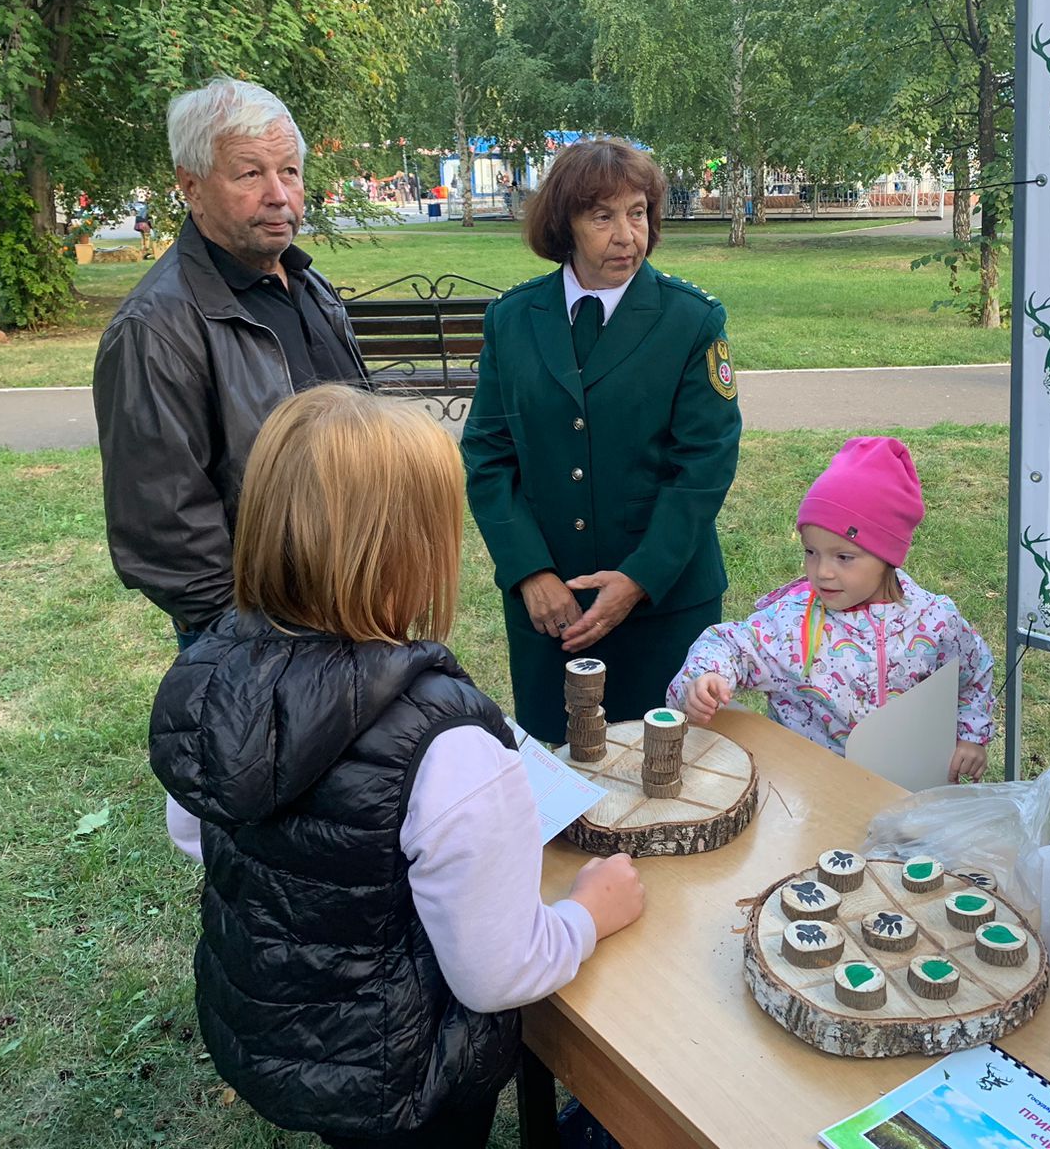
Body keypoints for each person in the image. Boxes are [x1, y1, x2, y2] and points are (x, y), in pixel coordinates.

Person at [150, 385, 645, 1147]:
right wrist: (591, 910)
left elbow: (196, 830)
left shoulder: (209, 675)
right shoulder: (448, 750)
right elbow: (496, 973)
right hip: (408, 1071)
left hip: (283, 1030)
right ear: (412, 550)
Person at [461, 138, 742, 744]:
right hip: (549, 611)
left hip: (663, 606)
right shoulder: (513, 319)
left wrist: (638, 578)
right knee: (563, 775)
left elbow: (704, 465)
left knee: (669, 784)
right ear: (565, 224)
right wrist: (529, 572)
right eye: (603, 216)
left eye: (638, 212)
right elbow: (488, 455)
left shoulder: (691, 320)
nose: (626, 235)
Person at [93, 76, 368, 652]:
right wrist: (255, 642)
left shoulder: (307, 283)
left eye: (289, 171)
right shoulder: (155, 329)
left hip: (358, 599)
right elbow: (163, 532)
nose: (279, 195)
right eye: (250, 173)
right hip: (261, 636)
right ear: (190, 186)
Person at [667, 437, 995, 780]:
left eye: (844, 557)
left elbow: (974, 671)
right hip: (810, 799)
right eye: (811, 552)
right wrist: (704, 678)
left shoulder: (935, 621)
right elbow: (728, 643)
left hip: (910, 796)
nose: (822, 571)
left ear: (888, 556)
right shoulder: (791, 623)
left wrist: (971, 737)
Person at [131, 195, 153, 259]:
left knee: (143, 237)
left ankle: (142, 249)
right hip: (144, 223)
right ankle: (146, 250)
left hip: (138, 223)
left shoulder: (142, 207)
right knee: (147, 237)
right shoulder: (149, 207)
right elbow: (149, 218)